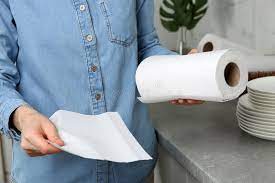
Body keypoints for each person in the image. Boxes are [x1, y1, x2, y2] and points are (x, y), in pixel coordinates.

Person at [0, 0, 202, 182]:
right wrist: (22, 117)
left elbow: (144, 47)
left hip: (133, 171)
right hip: (53, 173)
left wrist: (178, 72)